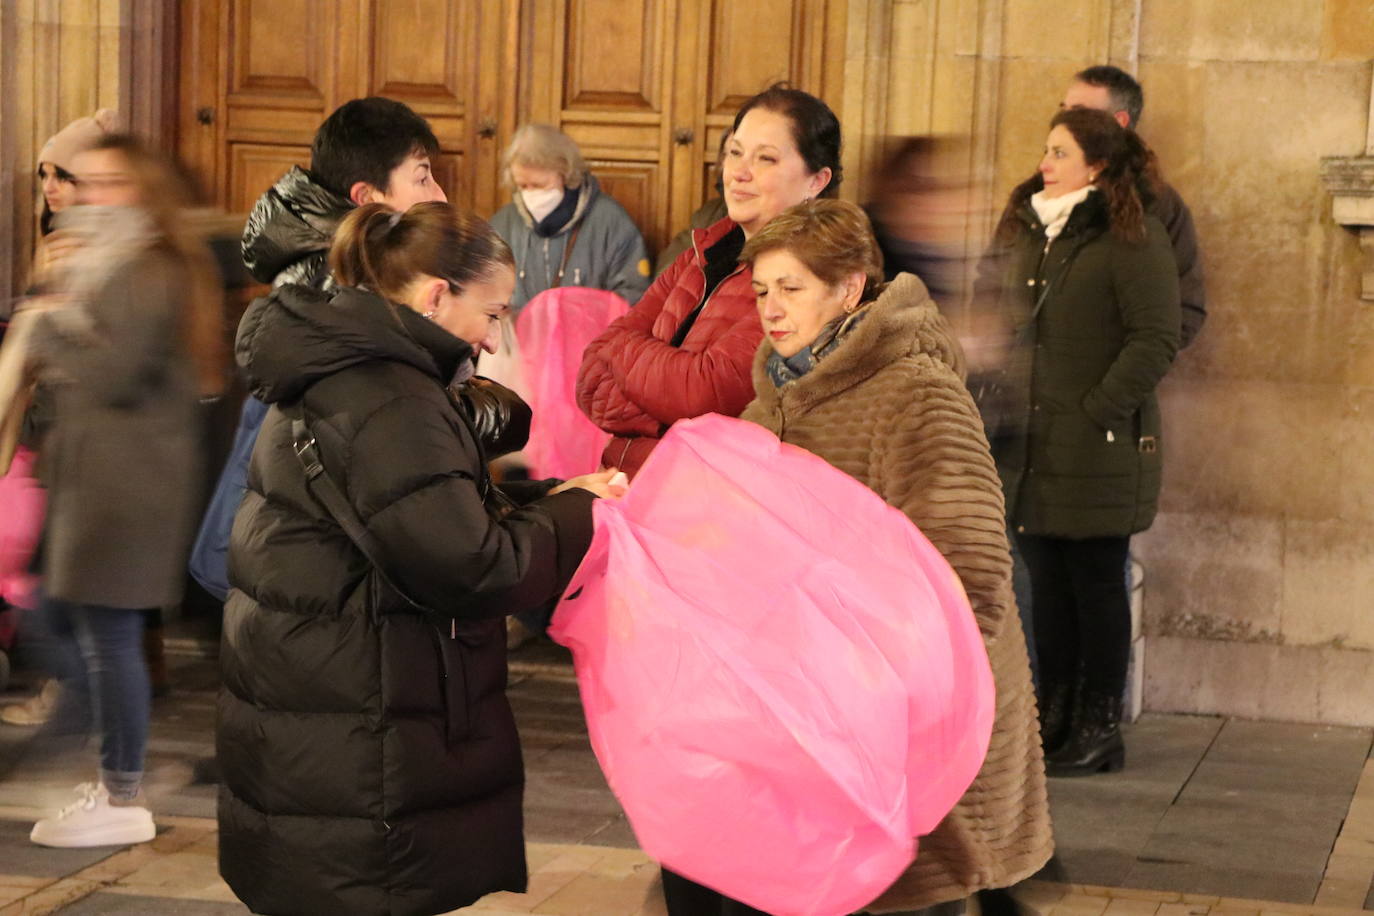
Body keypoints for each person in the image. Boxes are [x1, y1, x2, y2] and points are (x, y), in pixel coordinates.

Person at [217, 201, 618, 916]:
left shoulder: (342, 361)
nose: (495, 340)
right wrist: (580, 509)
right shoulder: (391, 395)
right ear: (437, 295)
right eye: (492, 313)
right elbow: (473, 564)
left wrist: (548, 496)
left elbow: (416, 511)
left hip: (320, 697)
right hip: (360, 715)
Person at [731, 199, 1052, 914]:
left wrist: (868, 672)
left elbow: (970, 575)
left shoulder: (915, 395)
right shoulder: (771, 405)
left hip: (914, 728)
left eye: (792, 289)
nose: (771, 311)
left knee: (910, 896)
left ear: (849, 288)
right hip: (818, 728)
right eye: (761, 292)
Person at [21, 135, 225, 847]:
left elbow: (114, 375)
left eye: (110, 183)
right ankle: (113, 769)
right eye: (88, 181)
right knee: (68, 619)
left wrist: (51, 318)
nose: (90, 196)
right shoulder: (121, 262)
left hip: (127, 487)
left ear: (142, 193)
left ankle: (121, 787)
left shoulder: (148, 268)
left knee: (103, 637)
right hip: (100, 480)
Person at [188, 97, 448, 605]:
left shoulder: (325, 265)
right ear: (366, 196)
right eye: (421, 178)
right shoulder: (348, 288)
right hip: (304, 572)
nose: (438, 196)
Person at [991, 107, 1179, 777]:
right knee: (1047, 582)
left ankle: (1100, 727)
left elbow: (1157, 336)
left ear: (1096, 166)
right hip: (1033, 445)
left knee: (1096, 583)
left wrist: (1099, 406)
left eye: (1060, 151)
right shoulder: (1030, 231)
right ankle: (1059, 715)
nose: (1045, 161)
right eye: (1045, 148)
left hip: (1098, 444)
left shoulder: (1131, 237)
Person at [577, 84, 841, 479]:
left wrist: (628, 359)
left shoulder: (805, 281)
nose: (739, 172)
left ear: (816, 181)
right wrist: (668, 412)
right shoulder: (699, 254)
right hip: (623, 483)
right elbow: (590, 377)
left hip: (701, 502)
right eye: (735, 153)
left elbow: (700, 394)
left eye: (766, 158)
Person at [1, 109, 121, 729]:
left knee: (52, 586)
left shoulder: (98, 253)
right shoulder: (57, 244)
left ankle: (78, 700)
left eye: (64, 174)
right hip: (44, 434)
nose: (50, 186)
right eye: (44, 174)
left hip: (72, 439)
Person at [1062, 65, 1205, 347]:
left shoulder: (1158, 203)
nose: (1062, 122)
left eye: (1078, 113)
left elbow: (1184, 311)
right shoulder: (1039, 189)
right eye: (1063, 109)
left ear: (1119, 122)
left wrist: (1120, 379)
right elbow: (995, 279)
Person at [489, 124, 651, 312]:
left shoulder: (611, 221)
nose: (530, 194)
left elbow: (634, 293)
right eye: (523, 186)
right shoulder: (503, 223)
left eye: (539, 185)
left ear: (565, 173)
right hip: (517, 339)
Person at [653, 131, 732, 277]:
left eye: (737, 153)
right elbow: (667, 274)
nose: (727, 164)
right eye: (726, 155)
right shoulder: (708, 215)